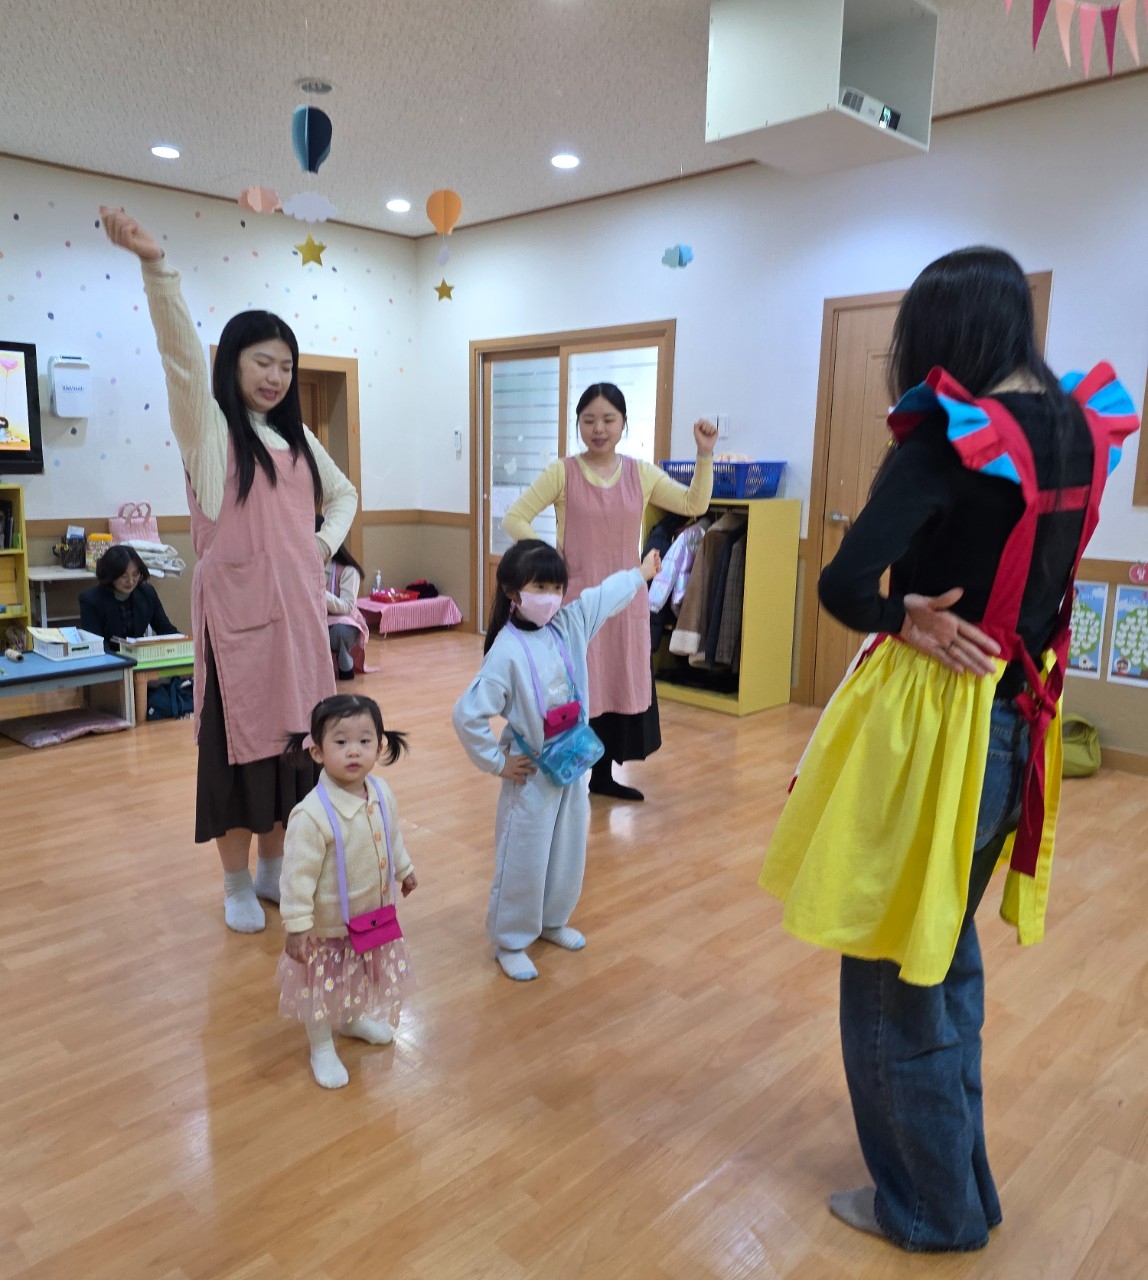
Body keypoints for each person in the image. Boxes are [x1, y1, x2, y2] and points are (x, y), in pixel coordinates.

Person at [759, 247, 1138, 1252]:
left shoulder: (948, 438)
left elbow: (843, 584)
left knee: (894, 971)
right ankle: (962, 1187)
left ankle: (927, 1209)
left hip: (937, 731)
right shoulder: (1081, 429)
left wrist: (903, 617)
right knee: (944, 953)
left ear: (941, 334)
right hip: (1019, 725)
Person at [101, 206, 358, 935]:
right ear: (233, 365)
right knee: (238, 756)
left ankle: (275, 870)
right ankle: (236, 883)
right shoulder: (210, 433)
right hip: (238, 628)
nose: (275, 376)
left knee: (290, 752)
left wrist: (318, 548)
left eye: (285, 365)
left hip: (298, 624)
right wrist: (157, 266)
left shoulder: (297, 438)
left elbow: (344, 495)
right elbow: (181, 358)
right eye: (261, 362)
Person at [452, 538, 662, 980]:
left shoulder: (569, 624)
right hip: (530, 773)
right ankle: (510, 940)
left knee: (567, 848)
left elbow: (603, 596)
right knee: (524, 854)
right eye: (539, 587)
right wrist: (497, 762)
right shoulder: (505, 652)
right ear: (512, 591)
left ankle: (552, 920)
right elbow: (467, 715)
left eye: (556, 588)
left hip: (572, 763)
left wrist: (641, 574)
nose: (550, 597)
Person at [502, 384, 717, 801]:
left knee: (615, 685)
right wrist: (549, 561)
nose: (598, 429)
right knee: (577, 688)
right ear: (578, 425)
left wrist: (704, 454)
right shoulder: (562, 472)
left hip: (625, 601)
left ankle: (602, 777)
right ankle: (567, 773)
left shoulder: (641, 473)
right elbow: (515, 518)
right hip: (577, 604)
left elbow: (695, 505)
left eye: (607, 419)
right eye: (589, 420)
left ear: (623, 424)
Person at [278, 694, 417, 1089]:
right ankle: (321, 1045)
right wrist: (297, 925)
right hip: (325, 929)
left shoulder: (382, 793)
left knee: (358, 977)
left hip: (369, 917)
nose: (353, 751)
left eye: (364, 741)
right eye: (340, 742)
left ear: (380, 745)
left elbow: (392, 836)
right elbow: (296, 876)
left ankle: (353, 1020)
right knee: (321, 988)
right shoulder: (311, 815)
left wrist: (404, 869)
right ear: (318, 752)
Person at [79, 544, 180, 652]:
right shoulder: (91, 600)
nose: (131, 581)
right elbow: (97, 646)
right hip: (108, 658)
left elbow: (165, 629)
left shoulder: (147, 593)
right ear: (110, 575)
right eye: (124, 576)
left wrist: (185, 644)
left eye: (135, 574)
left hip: (139, 655)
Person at [325, 540, 371, 680]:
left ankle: (345, 666)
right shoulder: (304, 568)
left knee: (340, 632)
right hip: (314, 621)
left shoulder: (348, 571)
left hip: (342, 621)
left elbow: (347, 606)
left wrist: (320, 593)